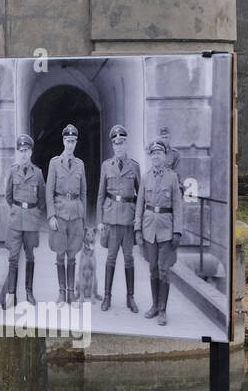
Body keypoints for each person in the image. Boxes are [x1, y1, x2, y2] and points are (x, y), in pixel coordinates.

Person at [134, 139, 184, 326]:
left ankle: (163, 310)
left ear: (164, 156)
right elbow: (140, 205)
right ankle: (154, 306)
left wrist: (177, 231)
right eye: (153, 154)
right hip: (149, 230)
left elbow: (178, 207)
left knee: (164, 271)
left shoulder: (172, 178)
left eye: (159, 153)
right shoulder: (146, 177)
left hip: (166, 230)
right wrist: (137, 229)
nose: (156, 156)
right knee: (153, 268)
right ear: (151, 157)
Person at [96, 124, 141, 313]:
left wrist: (138, 219)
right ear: (113, 146)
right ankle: (107, 297)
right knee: (111, 258)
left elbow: (141, 195)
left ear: (126, 144)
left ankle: (130, 298)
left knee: (129, 259)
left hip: (129, 220)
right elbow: (100, 194)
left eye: (122, 143)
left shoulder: (134, 166)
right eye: (116, 144)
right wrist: (99, 220)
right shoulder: (107, 166)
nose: (119, 147)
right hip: (112, 219)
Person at [46, 123, 87, 304]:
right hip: (60, 213)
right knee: (60, 254)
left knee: (72, 254)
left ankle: (71, 292)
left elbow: (84, 192)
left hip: (76, 215)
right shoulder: (54, 164)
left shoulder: (80, 165)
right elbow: (49, 191)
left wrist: (83, 218)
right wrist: (51, 216)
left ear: (76, 143)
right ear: (63, 141)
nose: (70, 145)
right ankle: (62, 292)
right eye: (68, 141)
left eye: (73, 141)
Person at [4, 133, 46, 307]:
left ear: (30, 152)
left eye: (26, 150)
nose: (23, 153)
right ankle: (11, 295)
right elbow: (8, 196)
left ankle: (29, 292)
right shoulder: (13, 171)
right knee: (13, 258)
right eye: (20, 150)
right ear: (18, 152)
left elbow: (42, 200)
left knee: (30, 256)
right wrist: (17, 209)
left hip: (31, 221)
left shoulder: (38, 173)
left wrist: (33, 213)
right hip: (15, 221)